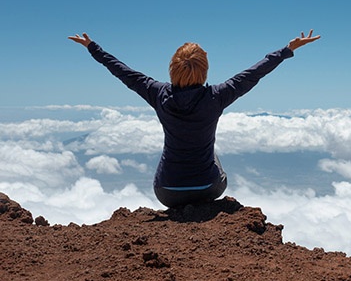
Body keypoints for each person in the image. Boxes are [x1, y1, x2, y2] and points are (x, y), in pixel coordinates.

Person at [69, 30, 320, 208]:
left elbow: (122, 71)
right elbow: (254, 73)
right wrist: (287, 50)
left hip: (166, 192)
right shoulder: (218, 96)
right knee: (212, 154)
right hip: (208, 189)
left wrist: (94, 48)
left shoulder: (157, 93)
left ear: (172, 68)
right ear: (204, 70)